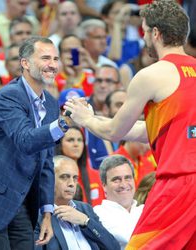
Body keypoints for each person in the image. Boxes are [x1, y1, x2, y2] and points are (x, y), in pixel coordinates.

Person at [64, 1, 196, 249]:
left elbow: (116, 131)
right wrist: (96, 118)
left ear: (155, 33)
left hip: (179, 185)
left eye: (145, 31)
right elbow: (147, 131)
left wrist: (85, 119)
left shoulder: (151, 75)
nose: (144, 38)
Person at [0, 36, 72, 250]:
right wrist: (64, 123)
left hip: (20, 202)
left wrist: (47, 212)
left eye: (55, 58)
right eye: (45, 58)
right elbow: (26, 140)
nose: (53, 64)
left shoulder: (50, 103)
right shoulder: (8, 96)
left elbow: (46, 161)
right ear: (25, 63)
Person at [35, 155, 120, 250]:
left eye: (75, 178)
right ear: (48, 180)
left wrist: (86, 221)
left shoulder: (85, 209)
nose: (71, 183)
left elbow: (114, 247)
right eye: (64, 177)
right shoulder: (37, 215)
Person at [94, 154, 144, 250]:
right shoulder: (97, 214)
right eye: (116, 180)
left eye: (128, 178)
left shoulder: (145, 210)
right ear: (104, 185)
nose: (123, 184)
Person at [55, 126, 105, 207]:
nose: (76, 144)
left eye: (79, 140)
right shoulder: (52, 176)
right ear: (60, 145)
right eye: (70, 140)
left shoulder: (97, 176)